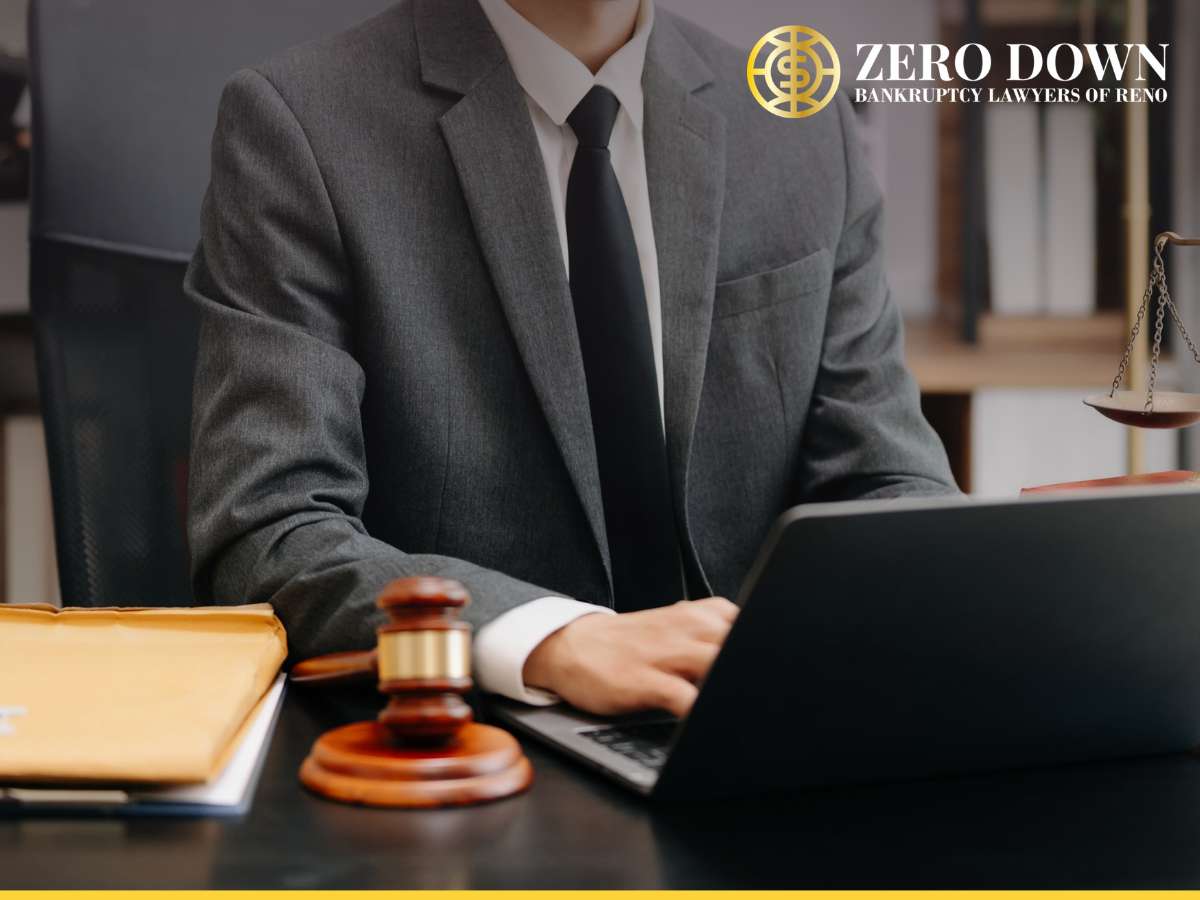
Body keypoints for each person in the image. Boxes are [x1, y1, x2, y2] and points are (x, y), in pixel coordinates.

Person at [185, 0, 957, 720]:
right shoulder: (300, 123)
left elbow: (890, 481)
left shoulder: (800, 130)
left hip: (758, 727)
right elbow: (271, 533)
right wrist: (549, 639)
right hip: (481, 741)